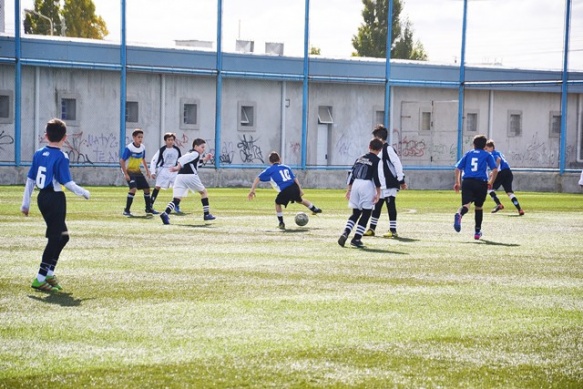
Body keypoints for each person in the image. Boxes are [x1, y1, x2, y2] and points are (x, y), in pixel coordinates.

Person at [21, 118, 90, 292]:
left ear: (46, 136)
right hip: (55, 199)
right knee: (55, 238)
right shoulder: (61, 156)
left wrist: (26, 203)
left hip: (42, 198)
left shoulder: (38, 153)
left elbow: (30, 179)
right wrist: (83, 192)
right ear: (65, 138)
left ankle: (49, 273)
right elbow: (67, 183)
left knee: (64, 236)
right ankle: (40, 277)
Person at [247, 151, 322, 230]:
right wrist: (300, 189)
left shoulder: (269, 170)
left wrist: (252, 190)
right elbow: (294, 178)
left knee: (277, 203)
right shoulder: (286, 167)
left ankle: (281, 222)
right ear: (280, 159)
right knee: (300, 200)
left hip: (285, 190)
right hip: (294, 187)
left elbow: (258, 178)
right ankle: (314, 208)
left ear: (270, 161)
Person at [364, 125, 407, 238]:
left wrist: (401, 179)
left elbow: (397, 164)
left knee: (390, 205)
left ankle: (393, 230)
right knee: (377, 206)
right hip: (381, 185)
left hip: (390, 183)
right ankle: (372, 229)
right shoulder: (377, 150)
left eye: (375, 137)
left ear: (379, 138)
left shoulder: (388, 149)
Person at [338, 139, 383, 248]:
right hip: (367, 185)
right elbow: (377, 178)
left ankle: (345, 232)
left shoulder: (360, 158)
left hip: (356, 184)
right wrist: (378, 193)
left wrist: (349, 190)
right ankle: (357, 238)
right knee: (367, 213)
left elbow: (351, 174)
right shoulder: (377, 160)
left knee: (355, 213)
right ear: (380, 149)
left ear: (369, 146)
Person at [159, 138, 215, 225]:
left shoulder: (191, 153)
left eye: (204, 147)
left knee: (177, 199)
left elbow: (193, 163)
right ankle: (206, 214)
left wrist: (205, 159)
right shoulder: (195, 153)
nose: (203, 149)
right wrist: (178, 167)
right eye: (202, 147)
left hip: (180, 177)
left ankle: (165, 213)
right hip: (190, 176)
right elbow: (183, 159)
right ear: (195, 146)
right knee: (204, 192)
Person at [453, 134, 499, 240]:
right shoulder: (487, 155)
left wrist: (457, 182)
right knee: (478, 207)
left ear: (474, 144)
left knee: (466, 205)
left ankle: (459, 214)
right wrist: (491, 181)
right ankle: (477, 232)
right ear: (484, 146)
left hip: (467, 182)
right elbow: (495, 170)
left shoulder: (468, 154)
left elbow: (457, 168)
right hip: (481, 182)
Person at [120, 129, 155, 216]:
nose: (140, 139)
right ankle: (126, 210)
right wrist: (126, 174)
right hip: (130, 171)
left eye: (141, 137)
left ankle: (148, 208)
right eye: (138, 137)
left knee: (147, 188)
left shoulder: (142, 147)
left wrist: (147, 171)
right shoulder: (129, 148)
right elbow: (122, 161)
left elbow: (143, 159)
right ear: (134, 137)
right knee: (133, 189)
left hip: (137, 171)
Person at [484, 139, 524, 215]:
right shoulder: (499, 152)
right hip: (508, 172)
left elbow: (498, 160)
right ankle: (520, 209)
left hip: (501, 173)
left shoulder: (492, 154)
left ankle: (499, 204)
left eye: (486, 148)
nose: (486, 150)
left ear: (491, 147)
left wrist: (493, 171)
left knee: (489, 188)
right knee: (509, 192)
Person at [150, 132, 182, 213]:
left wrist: (179, 170)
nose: (170, 141)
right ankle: (150, 205)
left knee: (177, 187)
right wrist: (153, 172)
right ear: (165, 141)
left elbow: (180, 161)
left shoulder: (177, 150)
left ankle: (176, 204)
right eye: (169, 140)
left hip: (174, 171)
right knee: (157, 187)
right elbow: (154, 161)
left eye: (172, 140)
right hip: (163, 170)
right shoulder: (162, 150)